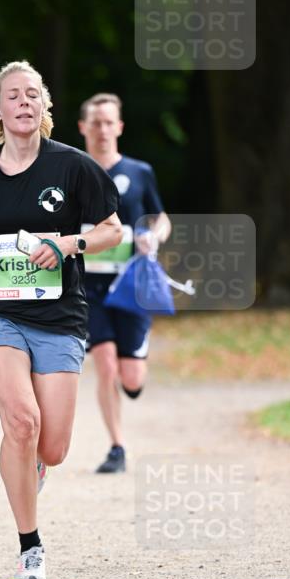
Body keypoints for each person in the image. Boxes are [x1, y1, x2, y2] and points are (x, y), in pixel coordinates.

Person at [0, 62, 122, 579]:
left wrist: (68, 244)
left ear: (44, 108)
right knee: (21, 420)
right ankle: (30, 549)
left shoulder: (74, 167)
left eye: (33, 94)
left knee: (53, 447)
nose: (23, 102)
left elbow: (112, 230)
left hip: (61, 317)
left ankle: (32, 465)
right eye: (12, 96)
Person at [78, 92, 171, 474]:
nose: (102, 129)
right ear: (83, 127)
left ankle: (133, 379)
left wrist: (155, 236)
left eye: (108, 122)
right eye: (94, 122)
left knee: (130, 377)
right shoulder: (71, 171)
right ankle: (117, 446)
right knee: (105, 365)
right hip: (88, 287)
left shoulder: (139, 171)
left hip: (132, 285)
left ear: (119, 127)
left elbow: (160, 218)